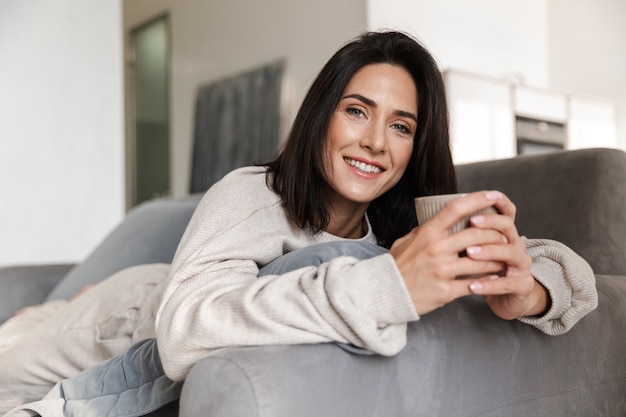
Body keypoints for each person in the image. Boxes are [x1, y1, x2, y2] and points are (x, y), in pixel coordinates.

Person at [3, 30, 597, 417]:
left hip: (154, 287)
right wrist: (392, 285)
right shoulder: (252, 195)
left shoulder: (398, 231)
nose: (373, 141)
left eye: (401, 125)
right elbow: (183, 334)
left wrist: (533, 289)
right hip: (96, 325)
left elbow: (578, 276)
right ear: (322, 115)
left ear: (417, 146)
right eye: (357, 111)